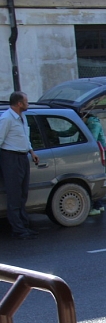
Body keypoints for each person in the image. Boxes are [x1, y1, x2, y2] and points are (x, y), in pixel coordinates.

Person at [0, 91, 40, 239]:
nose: (27, 104)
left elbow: (24, 137)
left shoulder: (22, 117)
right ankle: (18, 230)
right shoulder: (6, 119)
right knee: (14, 195)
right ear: (19, 103)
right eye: (26, 102)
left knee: (23, 194)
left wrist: (31, 151)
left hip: (23, 157)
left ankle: (24, 226)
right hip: (11, 158)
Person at [83, 113, 106, 216]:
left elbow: (93, 139)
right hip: (97, 153)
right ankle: (99, 205)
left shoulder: (93, 123)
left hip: (96, 154)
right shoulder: (90, 122)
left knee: (94, 178)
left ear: (84, 117)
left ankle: (97, 206)